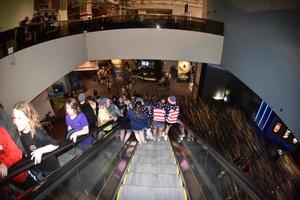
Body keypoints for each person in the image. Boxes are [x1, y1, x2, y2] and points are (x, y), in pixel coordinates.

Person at [13, 101, 59, 180]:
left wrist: (40, 150)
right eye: (14, 117)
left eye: (19, 118)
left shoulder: (36, 133)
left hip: (50, 167)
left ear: (28, 118)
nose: (16, 121)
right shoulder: (20, 132)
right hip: (40, 168)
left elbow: (55, 144)